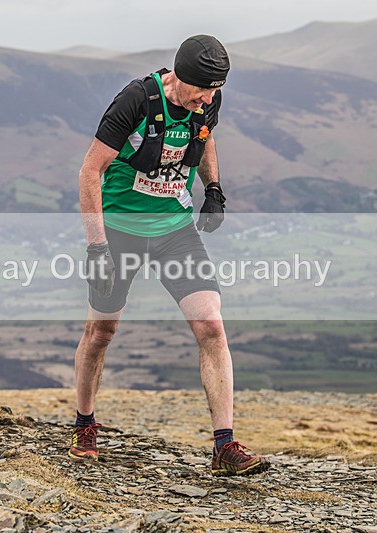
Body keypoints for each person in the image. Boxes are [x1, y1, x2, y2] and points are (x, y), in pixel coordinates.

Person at [70, 35, 270, 476]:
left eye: (216, 91)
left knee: (211, 326)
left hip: (173, 230)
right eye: (203, 89)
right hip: (119, 229)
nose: (209, 99)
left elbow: (205, 138)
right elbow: (89, 171)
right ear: (179, 76)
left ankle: (224, 445)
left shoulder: (206, 102)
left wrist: (213, 187)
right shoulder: (136, 101)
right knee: (101, 331)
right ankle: (84, 423)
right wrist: (97, 246)